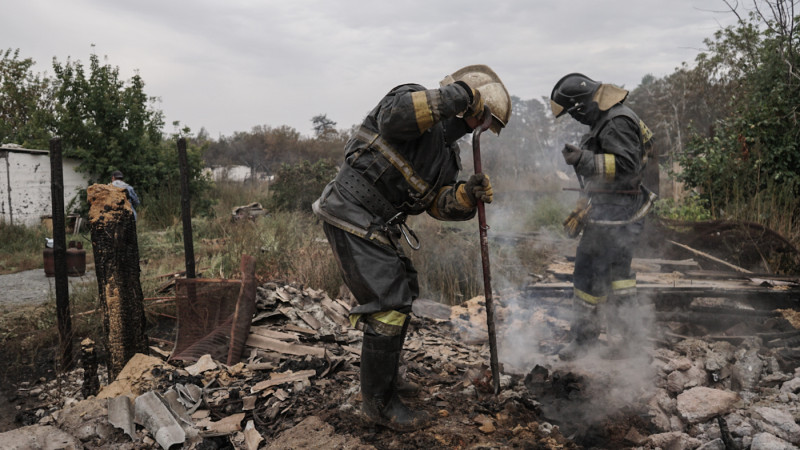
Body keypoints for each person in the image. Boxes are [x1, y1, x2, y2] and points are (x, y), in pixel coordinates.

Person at [313, 65, 510, 431]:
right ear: (469, 105)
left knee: (405, 289)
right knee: (388, 303)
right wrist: (462, 95)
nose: (473, 131)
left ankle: (387, 378)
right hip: (350, 210)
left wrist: (465, 196)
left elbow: (436, 203)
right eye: (478, 122)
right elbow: (394, 119)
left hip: (376, 222)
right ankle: (379, 404)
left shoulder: (447, 158)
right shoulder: (411, 99)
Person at [549, 73, 656, 361]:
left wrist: (582, 159)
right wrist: (586, 202)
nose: (576, 118)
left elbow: (625, 167)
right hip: (616, 207)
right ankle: (628, 343)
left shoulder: (616, 121)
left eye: (574, 112)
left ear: (582, 105)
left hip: (617, 211)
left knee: (588, 272)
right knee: (618, 277)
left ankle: (585, 342)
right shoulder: (612, 117)